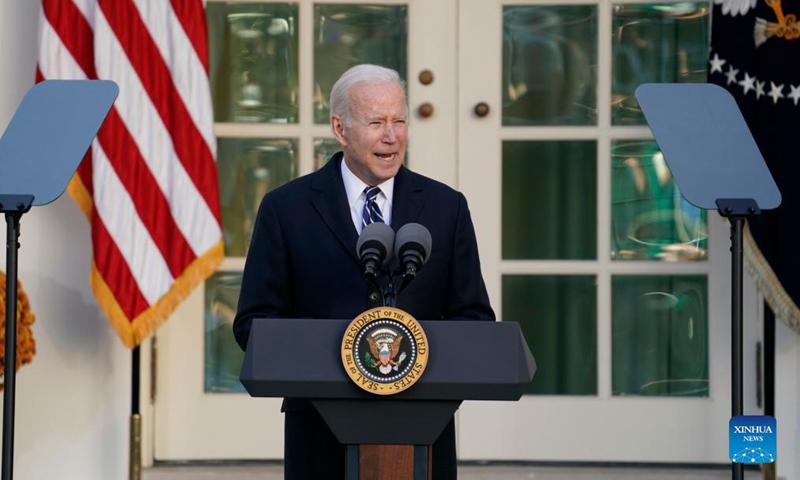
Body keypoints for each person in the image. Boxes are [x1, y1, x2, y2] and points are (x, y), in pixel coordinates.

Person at [232, 64, 495, 480]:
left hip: (423, 429)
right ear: (340, 128)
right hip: (318, 431)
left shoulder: (448, 208)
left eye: (399, 121)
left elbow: (475, 318)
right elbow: (253, 323)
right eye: (376, 122)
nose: (391, 136)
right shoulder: (287, 209)